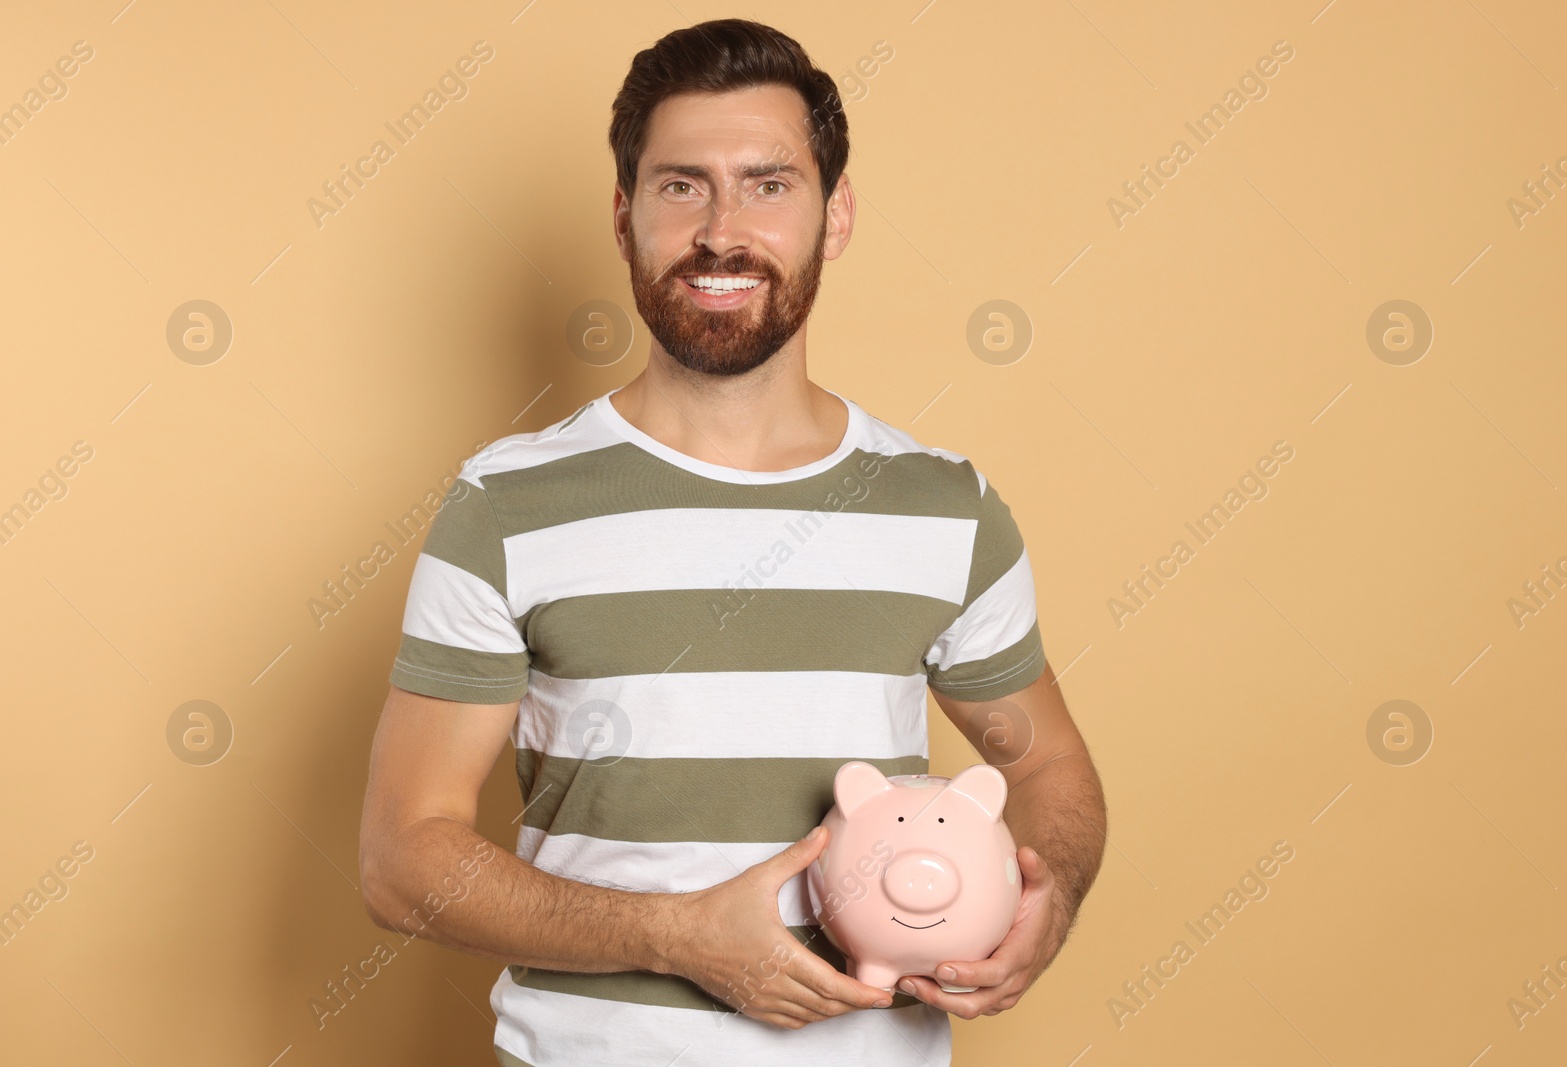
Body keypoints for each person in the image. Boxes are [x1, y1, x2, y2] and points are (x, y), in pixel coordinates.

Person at [358, 17, 1106, 1066]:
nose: (721, 229)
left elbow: (1050, 763)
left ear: (833, 213)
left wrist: (1051, 888)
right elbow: (401, 858)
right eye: (680, 185)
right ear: (623, 218)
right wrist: (674, 935)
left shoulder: (945, 507)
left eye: (768, 182)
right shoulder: (505, 504)